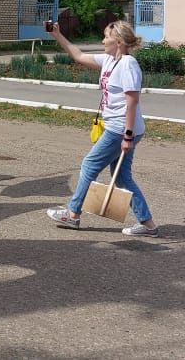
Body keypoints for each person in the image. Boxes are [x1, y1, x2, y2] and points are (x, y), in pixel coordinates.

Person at [45, 21, 158, 236]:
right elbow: (78, 55)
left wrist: (127, 135)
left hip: (121, 129)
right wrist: (57, 35)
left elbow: (132, 100)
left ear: (118, 41)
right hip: (120, 127)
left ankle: (72, 214)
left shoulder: (128, 64)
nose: (102, 40)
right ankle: (148, 224)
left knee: (89, 165)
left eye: (106, 37)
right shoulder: (108, 60)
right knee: (123, 177)